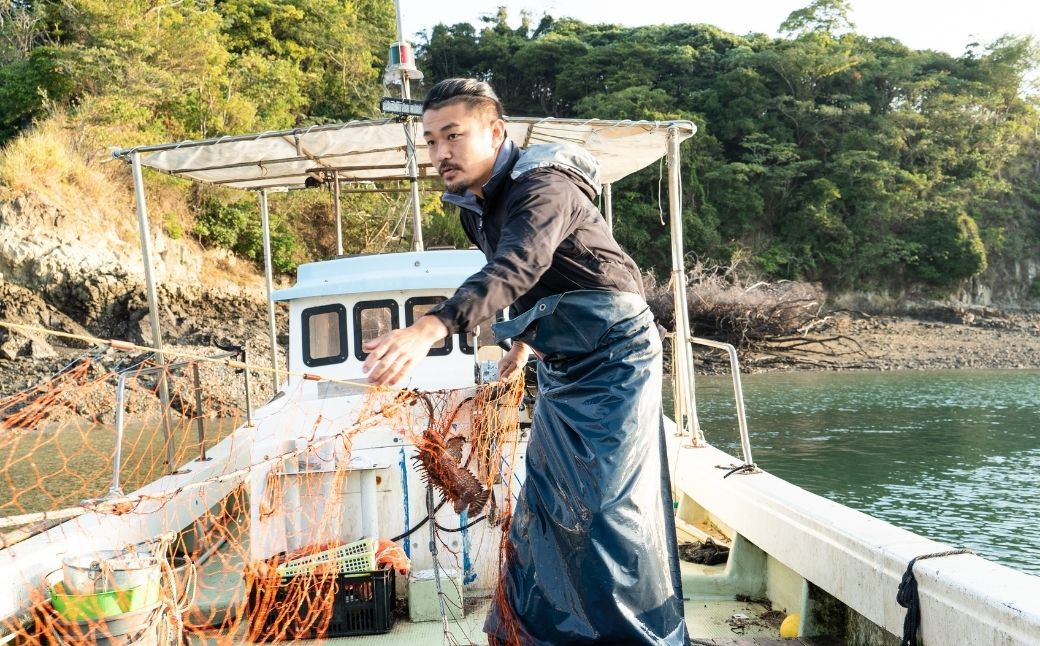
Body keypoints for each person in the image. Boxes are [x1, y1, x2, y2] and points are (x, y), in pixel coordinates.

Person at [362, 78, 688, 645]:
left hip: (617, 357)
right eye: (431, 140)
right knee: (547, 502)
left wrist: (431, 326)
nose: (440, 152)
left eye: (453, 136)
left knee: (608, 508)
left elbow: (519, 264)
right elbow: (528, 285)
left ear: (496, 132)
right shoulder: (475, 209)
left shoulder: (544, 188)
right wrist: (521, 347)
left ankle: (637, 637)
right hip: (561, 365)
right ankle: (542, 633)